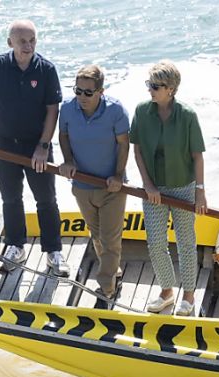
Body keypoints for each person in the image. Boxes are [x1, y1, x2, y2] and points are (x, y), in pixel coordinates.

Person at [0, 19, 69, 276]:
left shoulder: (46, 69)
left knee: (46, 199)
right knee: (11, 198)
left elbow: (52, 110)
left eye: (32, 40)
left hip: (37, 145)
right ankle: (15, 246)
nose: (28, 46)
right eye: (22, 41)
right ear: (10, 42)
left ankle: (53, 252)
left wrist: (43, 146)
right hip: (3, 144)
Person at [130, 60, 207, 316]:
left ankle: (188, 295)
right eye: (149, 84)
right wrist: (148, 185)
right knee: (155, 242)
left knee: (186, 242)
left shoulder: (187, 115)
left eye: (156, 86)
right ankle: (166, 291)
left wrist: (200, 191)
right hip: (154, 189)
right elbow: (137, 150)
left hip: (183, 187)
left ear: (171, 89)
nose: (150, 89)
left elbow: (197, 155)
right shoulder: (142, 111)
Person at [58, 64, 130, 299]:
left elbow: (123, 143)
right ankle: (113, 271)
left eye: (88, 92)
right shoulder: (67, 109)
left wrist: (118, 175)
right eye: (78, 91)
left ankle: (107, 288)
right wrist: (68, 160)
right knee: (97, 235)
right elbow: (64, 135)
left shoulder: (116, 110)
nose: (82, 97)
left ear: (101, 91)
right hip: (82, 186)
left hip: (112, 189)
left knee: (110, 240)